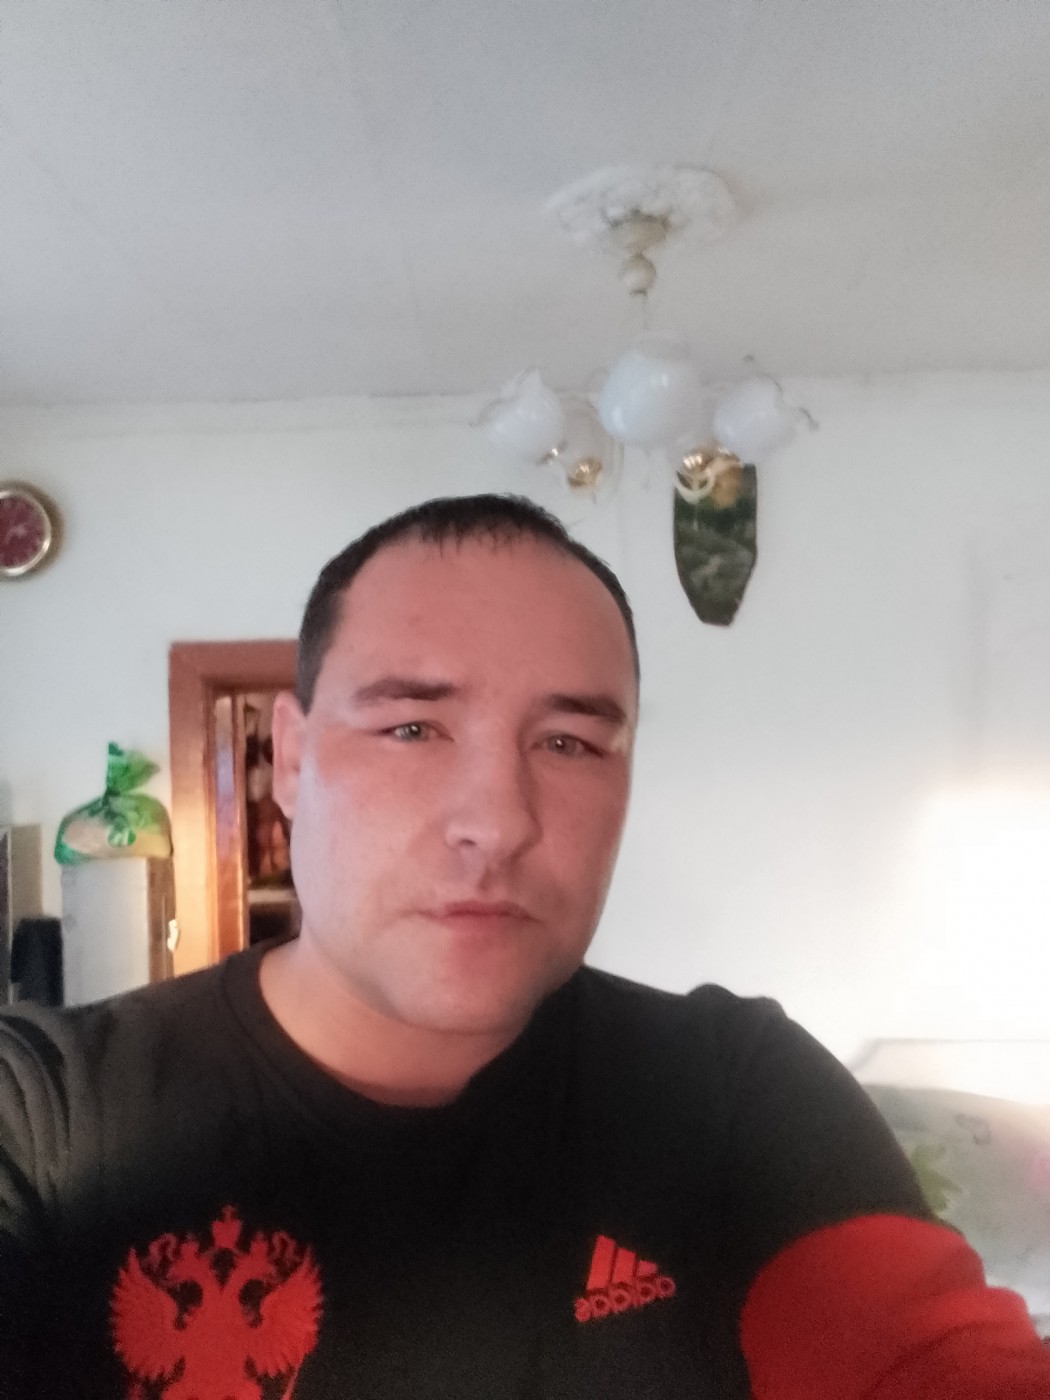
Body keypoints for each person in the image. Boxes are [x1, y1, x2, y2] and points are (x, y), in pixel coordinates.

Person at [1, 494, 1047, 1399]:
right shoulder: (46, 1117)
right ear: (293, 757)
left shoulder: (737, 1095)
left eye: (569, 742)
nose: (498, 822)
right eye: (412, 728)